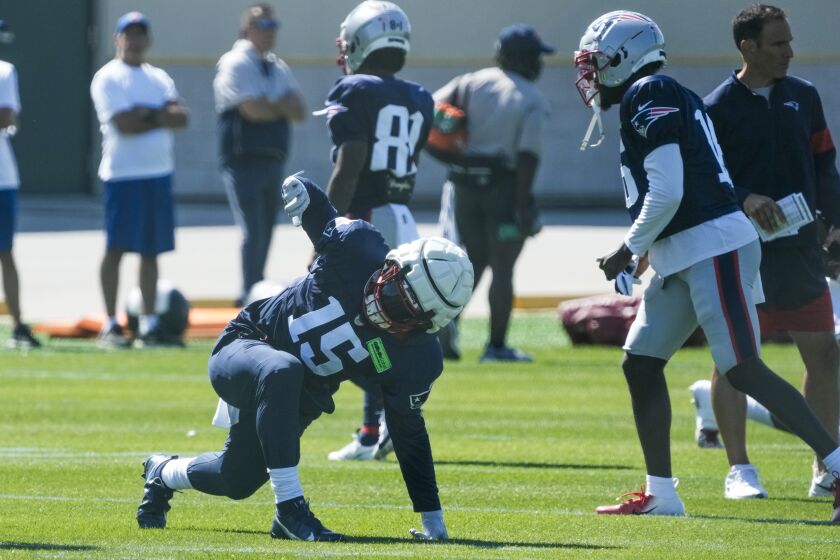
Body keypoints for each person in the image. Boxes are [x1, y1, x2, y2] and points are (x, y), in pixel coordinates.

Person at [573, 10, 840, 520]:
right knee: (642, 363)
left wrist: (630, 247)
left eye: (599, 61)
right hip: (686, 249)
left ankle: (836, 465)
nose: (593, 73)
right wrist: (646, 245)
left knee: (743, 368)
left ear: (624, 58)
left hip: (712, 245)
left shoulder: (647, 93)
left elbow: (669, 188)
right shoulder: (661, 94)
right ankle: (661, 492)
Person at [135, 174, 473, 542]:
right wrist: (299, 187)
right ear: (393, 263)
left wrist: (432, 518)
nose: (384, 301)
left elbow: (408, 435)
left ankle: (162, 471)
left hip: (301, 392)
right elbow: (318, 208)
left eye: (401, 308)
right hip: (248, 343)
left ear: (425, 324)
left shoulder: (416, 357)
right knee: (283, 369)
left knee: (235, 479)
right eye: (392, 287)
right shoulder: (357, 247)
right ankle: (290, 512)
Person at [688, 4, 840, 500]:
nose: (789, 52)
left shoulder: (805, 97)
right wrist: (745, 198)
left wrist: (835, 227)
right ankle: (740, 471)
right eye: (778, 44)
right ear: (747, 47)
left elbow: (825, 167)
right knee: (735, 359)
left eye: (789, 41)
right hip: (739, 255)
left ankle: (826, 468)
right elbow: (704, 183)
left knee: (825, 357)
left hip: (799, 254)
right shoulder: (715, 109)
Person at [318, 1, 434, 461]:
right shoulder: (420, 96)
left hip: (363, 219)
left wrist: (325, 228)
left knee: (351, 324)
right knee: (382, 325)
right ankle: (374, 428)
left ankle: (386, 419)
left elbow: (350, 165)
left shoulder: (354, 89)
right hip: (400, 217)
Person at [432, 23, 552, 363]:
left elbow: (428, 113)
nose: (539, 63)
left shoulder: (471, 82)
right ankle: (496, 347)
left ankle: (446, 323)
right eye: (534, 56)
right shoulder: (530, 97)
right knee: (503, 267)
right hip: (504, 186)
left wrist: (448, 154)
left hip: (464, 185)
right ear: (522, 58)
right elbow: (527, 156)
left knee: (473, 260)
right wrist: (522, 207)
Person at [90, 12, 189, 348]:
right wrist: (157, 114)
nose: (134, 40)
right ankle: (110, 321)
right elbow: (124, 124)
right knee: (116, 248)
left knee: (151, 250)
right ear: (117, 39)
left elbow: (181, 117)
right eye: (127, 34)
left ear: (148, 39)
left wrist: (146, 113)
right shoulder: (108, 78)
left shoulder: (158, 77)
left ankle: (148, 324)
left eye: (139, 34)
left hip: (157, 174)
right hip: (122, 175)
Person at [214, 3, 305, 307]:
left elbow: (300, 110)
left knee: (267, 227)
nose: (270, 33)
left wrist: (272, 105)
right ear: (247, 30)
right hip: (244, 159)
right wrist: (278, 105)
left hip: (272, 158)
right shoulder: (236, 63)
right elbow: (252, 110)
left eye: (273, 26)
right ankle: (249, 291)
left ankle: (257, 286)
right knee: (252, 227)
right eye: (263, 26)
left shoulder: (278, 66)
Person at [0, 20, 39, 349]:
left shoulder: (4, 71)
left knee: (5, 252)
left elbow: (6, 117)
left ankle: (18, 323)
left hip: (2, 177)